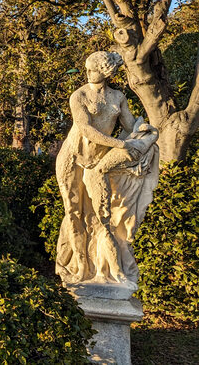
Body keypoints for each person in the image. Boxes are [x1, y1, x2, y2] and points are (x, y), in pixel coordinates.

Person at [55, 51, 159, 289]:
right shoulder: (79, 95)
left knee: (99, 214)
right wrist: (122, 144)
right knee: (74, 213)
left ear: (106, 72)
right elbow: (86, 130)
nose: (89, 74)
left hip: (99, 160)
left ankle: (100, 267)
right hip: (72, 158)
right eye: (89, 69)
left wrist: (143, 129)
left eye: (94, 70)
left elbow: (130, 124)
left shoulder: (117, 97)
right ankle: (80, 269)